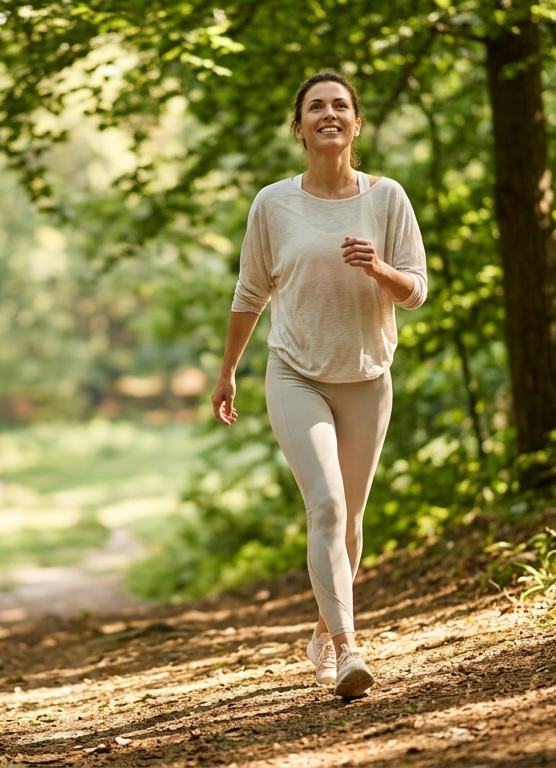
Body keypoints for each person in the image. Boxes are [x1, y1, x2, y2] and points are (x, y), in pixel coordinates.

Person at [210, 70, 428, 700]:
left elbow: (415, 292)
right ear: (299, 127)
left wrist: (379, 268)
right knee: (327, 506)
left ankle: (322, 633)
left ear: (356, 123)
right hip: (295, 372)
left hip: (366, 375)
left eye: (340, 106)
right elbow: (250, 292)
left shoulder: (387, 198)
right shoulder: (273, 203)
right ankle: (349, 649)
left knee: (351, 520)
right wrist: (227, 371)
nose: (328, 114)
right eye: (315, 107)